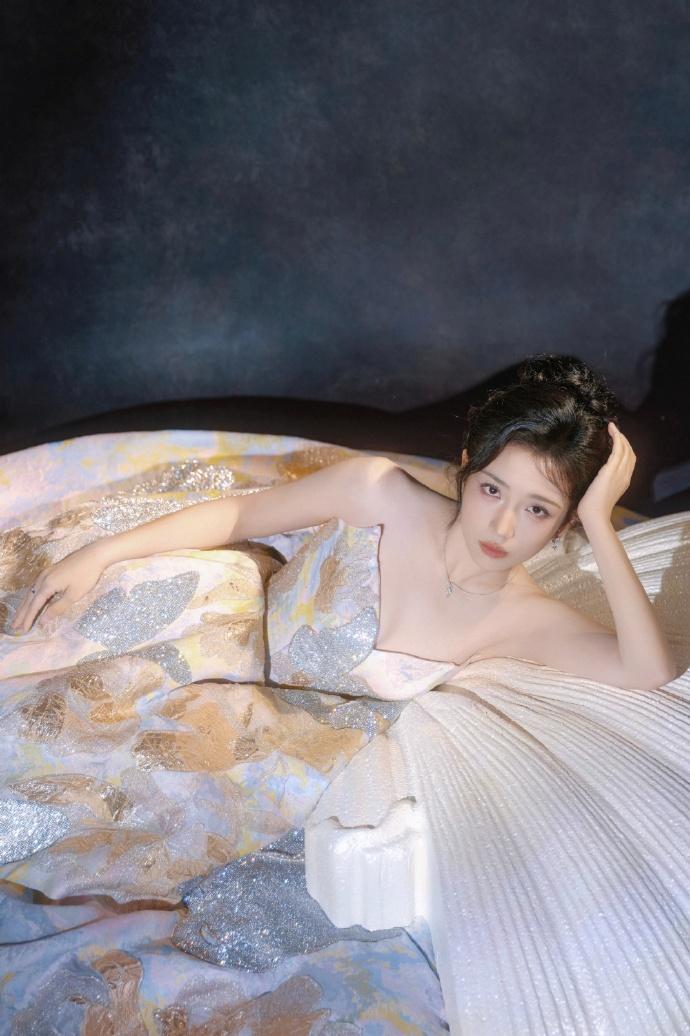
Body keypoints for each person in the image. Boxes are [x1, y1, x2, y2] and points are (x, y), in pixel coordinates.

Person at [1, 353, 689, 1034]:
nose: (503, 528)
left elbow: (646, 668)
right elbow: (239, 513)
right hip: (234, 631)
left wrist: (602, 522)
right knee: (71, 704)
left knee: (167, 801)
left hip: (286, 746)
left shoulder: (524, 615)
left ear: (564, 523)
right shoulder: (381, 492)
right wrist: (103, 553)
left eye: (538, 509)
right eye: (491, 490)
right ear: (465, 467)